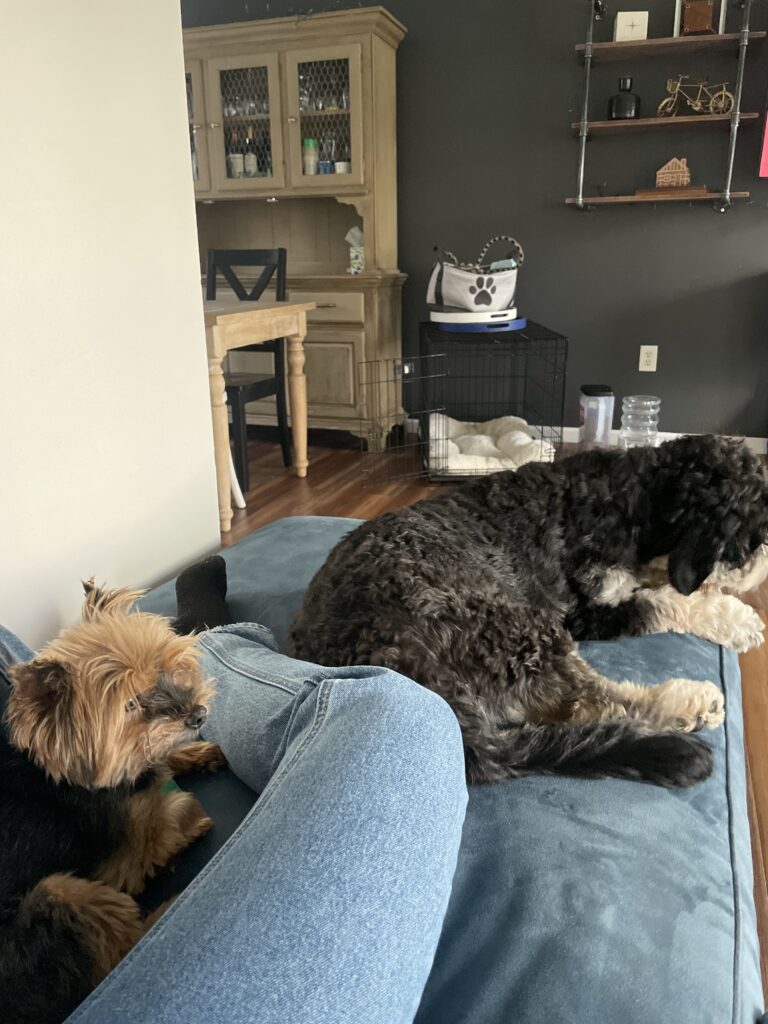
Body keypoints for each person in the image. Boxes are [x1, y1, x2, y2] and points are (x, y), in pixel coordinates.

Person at [0, 609, 468, 1024]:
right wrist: (173, 811)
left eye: (169, 672)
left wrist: (163, 754)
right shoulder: (85, 787)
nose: (190, 709)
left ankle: (214, 635)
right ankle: (218, 635)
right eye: (135, 705)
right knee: (396, 713)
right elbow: (143, 855)